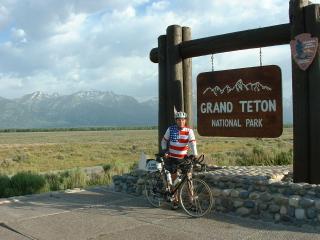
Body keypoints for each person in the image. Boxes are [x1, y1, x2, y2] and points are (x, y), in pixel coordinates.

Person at [161, 111, 198, 209]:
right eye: (178, 120)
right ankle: (175, 200)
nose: (181, 121)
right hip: (173, 158)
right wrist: (165, 151)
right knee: (175, 180)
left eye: (182, 119)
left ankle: (192, 202)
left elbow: (193, 143)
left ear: (185, 120)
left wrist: (195, 154)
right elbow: (164, 141)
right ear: (176, 121)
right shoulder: (170, 129)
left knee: (189, 179)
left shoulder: (189, 131)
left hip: (183, 159)